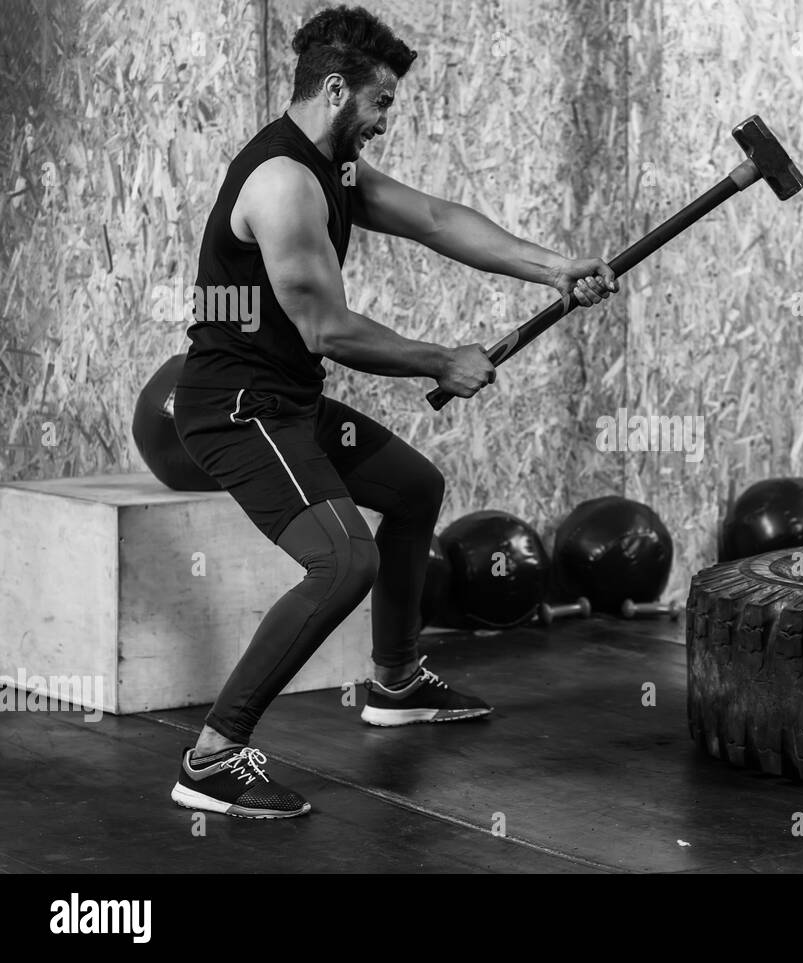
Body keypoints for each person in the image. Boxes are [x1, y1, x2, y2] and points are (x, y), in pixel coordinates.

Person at [169, 4, 617, 818]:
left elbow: (439, 221)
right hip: (237, 410)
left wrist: (555, 268)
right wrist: (443, 359)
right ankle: (213, 754)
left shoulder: (331, 165)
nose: (384, 121)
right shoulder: (282, 182)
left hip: (289, 399)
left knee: (414, 488)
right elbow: (327, 327)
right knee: (343, 561)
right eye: (380, 103)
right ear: (337, 89)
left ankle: (397, 680)